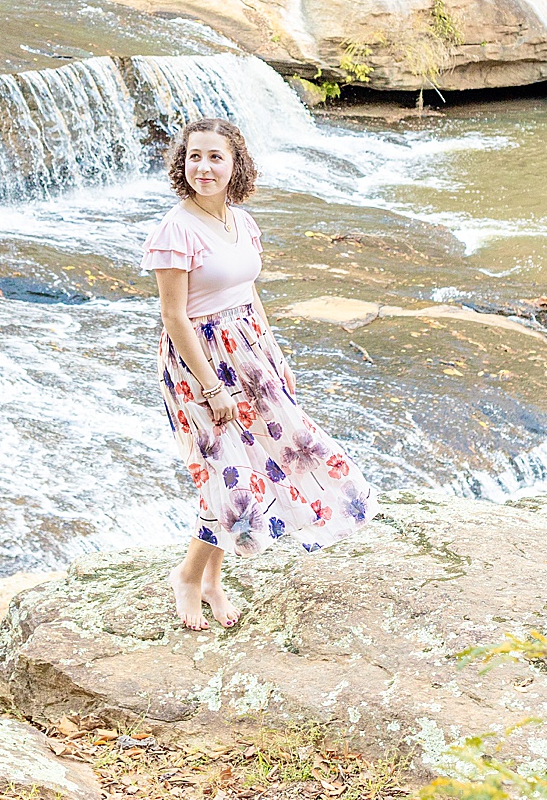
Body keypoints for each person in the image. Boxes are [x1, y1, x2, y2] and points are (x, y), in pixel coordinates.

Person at [140, 117, 376, 631]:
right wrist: (212, 386)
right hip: (200, 364)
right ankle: (190, 578)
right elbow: (175, 317)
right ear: (182, 163)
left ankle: (209, 579)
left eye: (215, 157)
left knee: (258, 469)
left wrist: (274, 355)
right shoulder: (173, 231)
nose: (203, 167)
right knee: (225, 477)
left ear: (235, 164)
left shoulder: (242, 222)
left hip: (250, 354)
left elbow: (249, 294)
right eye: (194, 156)